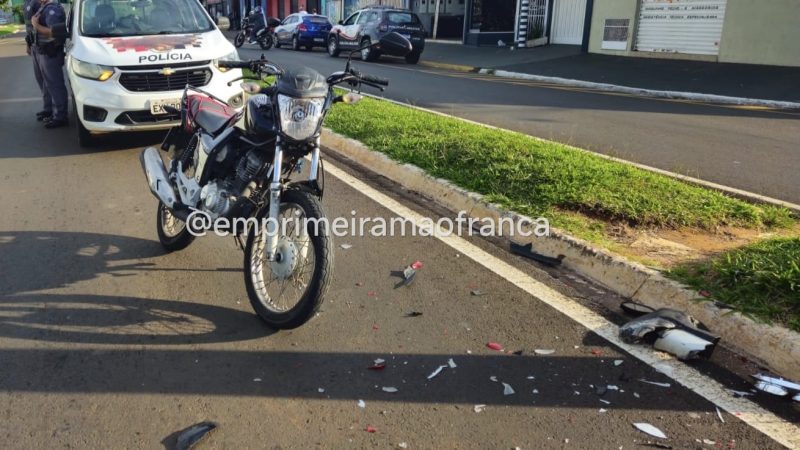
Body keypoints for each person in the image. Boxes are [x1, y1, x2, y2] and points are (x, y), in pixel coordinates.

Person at [31, 0, 68, 129]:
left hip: (50, 52)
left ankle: (61, 116)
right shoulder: (44, 7)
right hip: (43, 51)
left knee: (55, 85)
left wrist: (36, 25)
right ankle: (52, 111)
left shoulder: (53, 9)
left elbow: (54, 31)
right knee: (47, 84)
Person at [23, 0, 50, 122]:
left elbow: (41, 25)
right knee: (40, 78)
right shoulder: (26, 2)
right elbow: (29, 27)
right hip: (33, 44)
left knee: (46, 79)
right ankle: (47, 107)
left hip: (41, 45)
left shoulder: (37, 3)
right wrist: (28, 44)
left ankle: (51, 109)